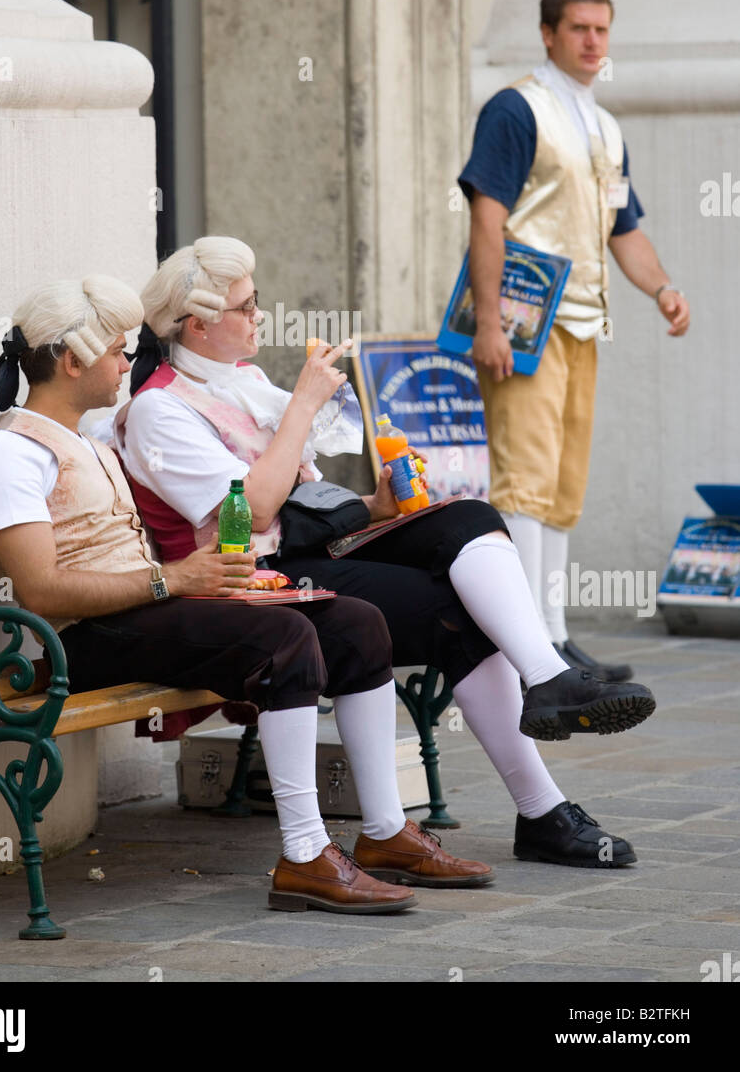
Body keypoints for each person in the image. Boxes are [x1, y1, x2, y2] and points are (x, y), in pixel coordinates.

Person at [0, 275, 497, 918]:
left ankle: (384, 834)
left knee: (355, 623)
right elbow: (41, 590)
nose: (129, 361)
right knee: (284, 640)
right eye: (117, 351)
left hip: (144, 613)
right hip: (80, 640)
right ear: (72, 363)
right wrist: (175, 578)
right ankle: (304, 856)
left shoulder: (86, 437)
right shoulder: (10, 455)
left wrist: (204, 577)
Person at [117, 237, 656, 869]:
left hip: (305, 549)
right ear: (199, 325)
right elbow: (254, 514)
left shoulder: (246, 383)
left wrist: (373, 506)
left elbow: (302, 501)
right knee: (454, 607)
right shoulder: (159, 410)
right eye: (246, 306)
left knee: (470, 516)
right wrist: (303, 407)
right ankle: (538, 809)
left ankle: (549, 682)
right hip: (249, 578)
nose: (259, 314)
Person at [459, 0, 691, 680]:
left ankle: (554, 636)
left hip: (586, 323)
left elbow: (625, 227)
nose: (594, 42)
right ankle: (529, 647)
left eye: (603, 29)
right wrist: (490, 321)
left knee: (561, 485)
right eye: (580, 29)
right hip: (526, 324)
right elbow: (486, 218)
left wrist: (662, 287)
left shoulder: (604, 125)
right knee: (524, 481)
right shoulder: (514, 109)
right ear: (549, 33)